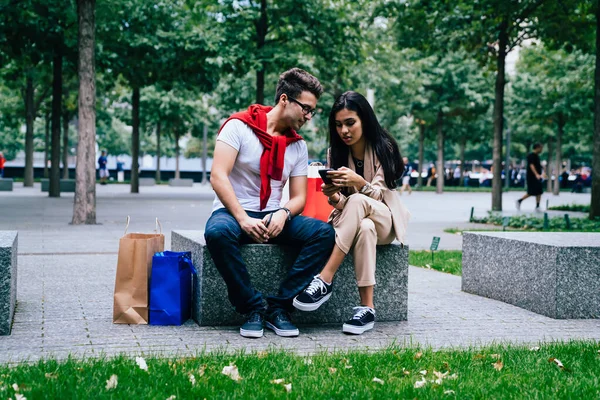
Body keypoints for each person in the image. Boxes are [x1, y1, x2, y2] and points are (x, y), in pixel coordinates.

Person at [204, 68, 335, 339]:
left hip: (273, 215)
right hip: (232, 212)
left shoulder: (297, 146)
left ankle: (279, 308)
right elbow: (218, 176)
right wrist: (242, 218)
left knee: (324, 233)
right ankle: (252, 307)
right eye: (306, 109)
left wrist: (284, 213)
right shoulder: (238, 127)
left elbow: (299, 197)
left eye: (313, 112)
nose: (309, 117)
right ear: (285, 99)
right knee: (217, 233)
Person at [293, 91, 409, 335]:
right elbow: (345, 206)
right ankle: (367, 309)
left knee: (361, 205)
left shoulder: (383, 147)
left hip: (385, 221)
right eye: (338, 125)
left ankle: (325, 279)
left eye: (350, 123)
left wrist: (358, 182)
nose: (344, 130)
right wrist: (333, 195)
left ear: (364, 120)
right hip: (361, 223)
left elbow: (380, 195)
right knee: (364, 227)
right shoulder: (334, 153)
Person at [516, 143, 544, 211]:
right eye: (541, 148)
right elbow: (531, 166)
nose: (541, 150)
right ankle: (520, 200)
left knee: (539, 191)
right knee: (531, 191)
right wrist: (536, 174)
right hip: (532, 177)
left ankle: (537, 205)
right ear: (537, 148)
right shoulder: (531, 156)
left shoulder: (537, 156)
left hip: (538, 176)